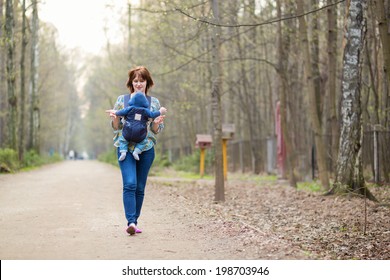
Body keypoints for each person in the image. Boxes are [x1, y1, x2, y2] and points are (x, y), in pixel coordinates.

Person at [108, 66, 166, 235]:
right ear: (131, 83)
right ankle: (131, 222)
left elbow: (157, 129)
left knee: (140, 187)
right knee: (130, 184)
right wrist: (115, 118)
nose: (138, 84)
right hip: (124, 147)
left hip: (145, 149)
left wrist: (156, 123)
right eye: (135, 81)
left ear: (147, 82)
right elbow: (115, 127)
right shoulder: (122, 100)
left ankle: (135, 220)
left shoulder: (153, 102)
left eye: (142, 81)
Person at [106, 92, 167, 161]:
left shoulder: (129, 108)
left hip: (127, 132)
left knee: (122, 140)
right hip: (140, 134)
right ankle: (136, 152)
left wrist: (114, 112)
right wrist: (160, 111)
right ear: (145, 103)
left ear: (132, 101)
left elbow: (120, 113)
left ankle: (123, 152)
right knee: (144, 142)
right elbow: (153, 115)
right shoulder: (145, 110)